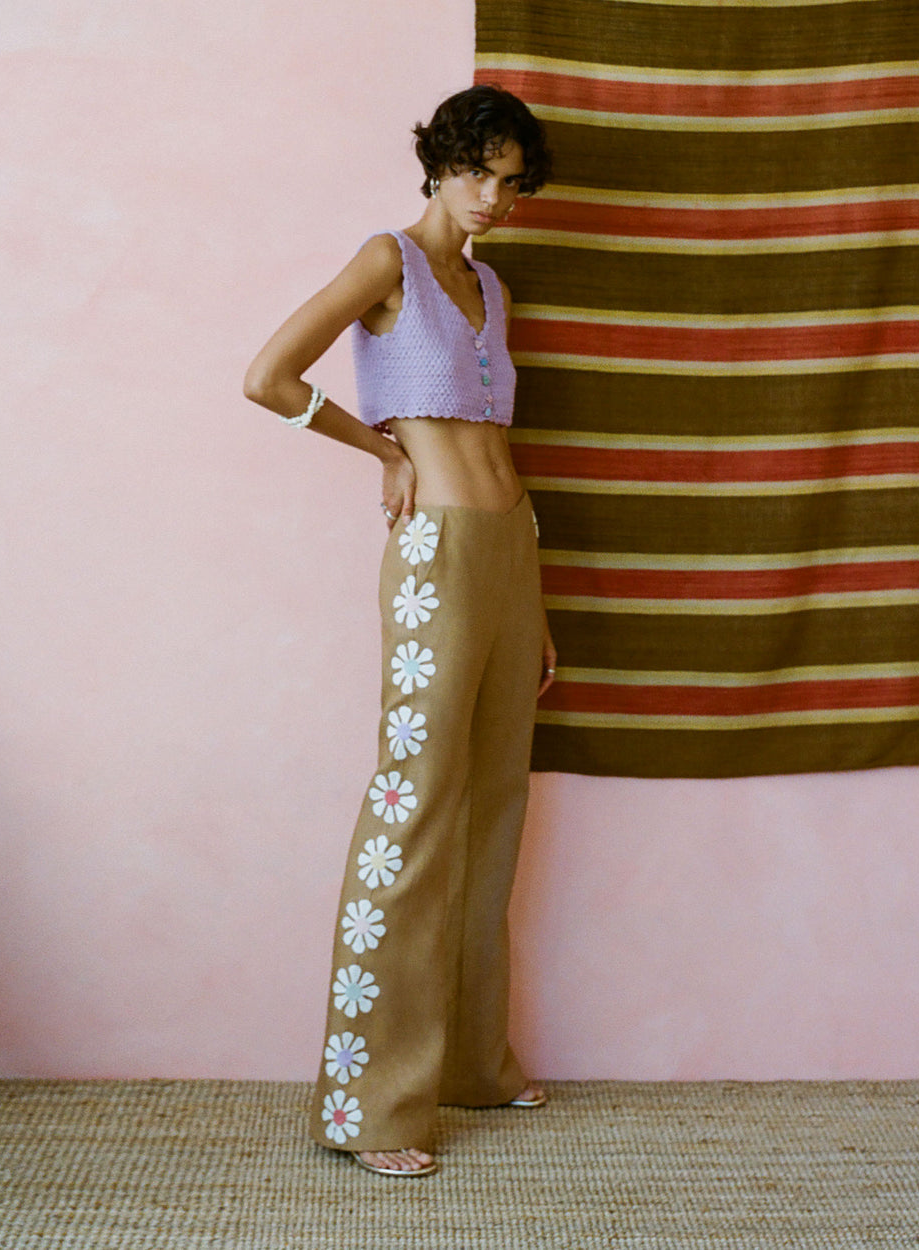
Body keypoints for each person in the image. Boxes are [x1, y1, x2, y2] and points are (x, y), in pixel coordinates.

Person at [244, 84, 556, 1177]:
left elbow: (500, 451)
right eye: (478, 171)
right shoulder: (390, 261)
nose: (492, 197)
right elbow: (266, 375)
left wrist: (537, 602)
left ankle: (470, 1058)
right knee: (414, 804)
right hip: (435, 559)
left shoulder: (494, 286)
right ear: (437, 162)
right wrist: (382, 452)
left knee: (495, 799)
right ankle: (369, 1101)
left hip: (510, 551)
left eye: (512, 182)